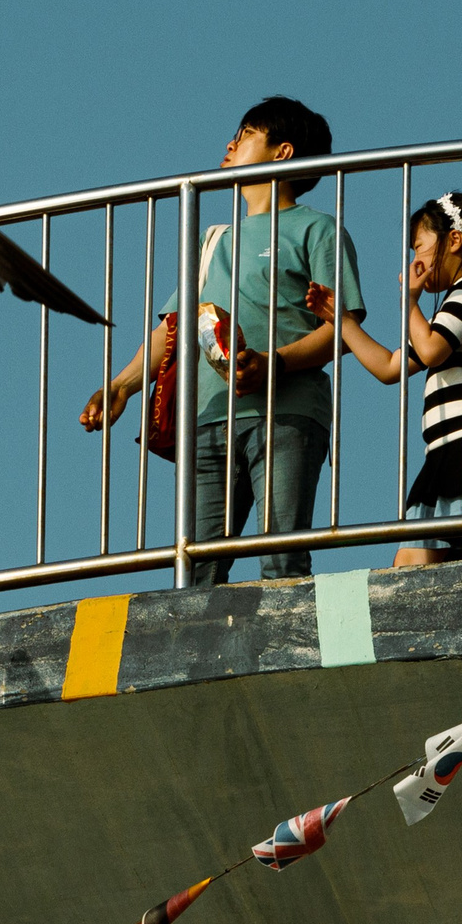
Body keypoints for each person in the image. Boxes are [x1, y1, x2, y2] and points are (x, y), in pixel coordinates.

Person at [78, 96, 363, 581]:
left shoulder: (317, 228)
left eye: (247, 133)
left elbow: (343, 330)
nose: (230, 144)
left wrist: (272, 363)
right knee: (198, 571)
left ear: (283, 152)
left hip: (286, 414)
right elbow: (174, 329)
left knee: (283, 560)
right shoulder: (213, 240)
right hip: (209, 419)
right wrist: (123, 384)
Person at [321, 190, 462, 565]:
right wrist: (341, 321)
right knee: (410, 562)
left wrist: (410, 301)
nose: (415, 260)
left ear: (455, 240)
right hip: (443, 454)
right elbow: (390, 367)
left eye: (419, 247)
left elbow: (432, 350)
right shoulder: (446, 309)